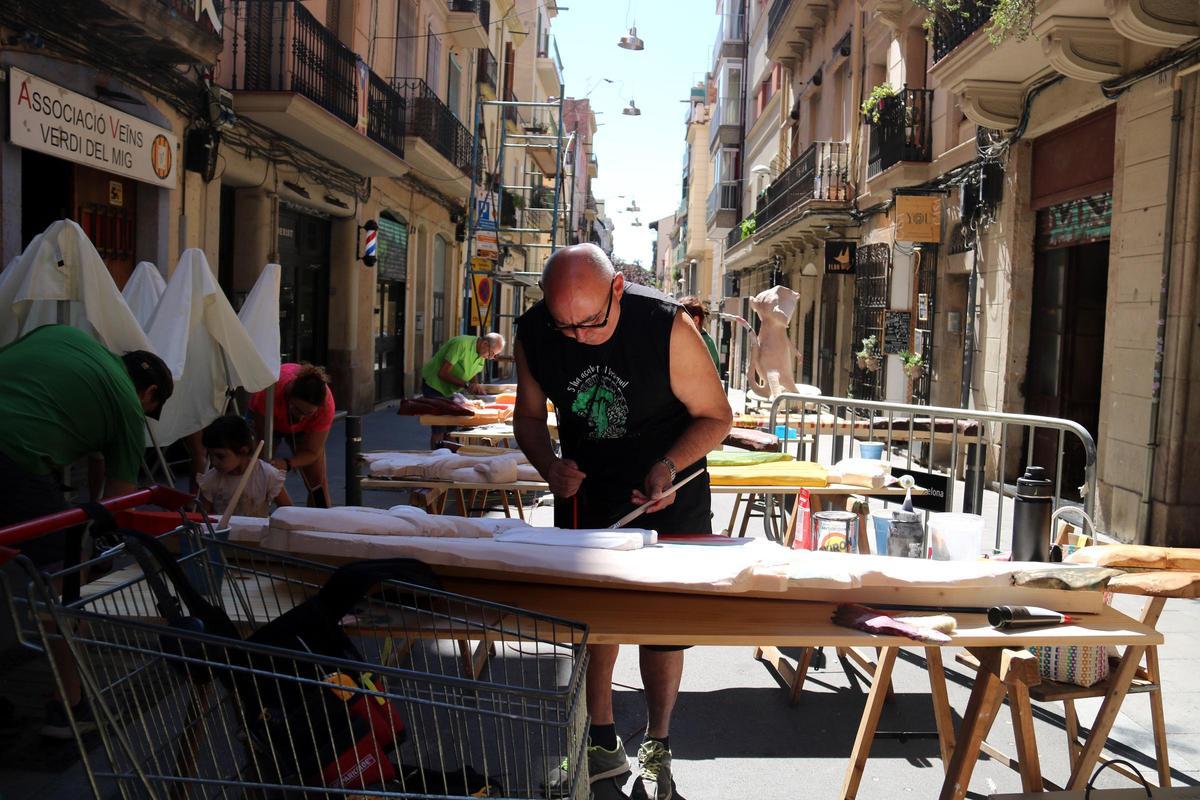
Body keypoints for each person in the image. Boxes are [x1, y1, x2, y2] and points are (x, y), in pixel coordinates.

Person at [513, 245, 732, 799]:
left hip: (668, 482)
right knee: (592, 619)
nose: (579, 337)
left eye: (591, 322)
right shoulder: (535, 333)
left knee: (663, 627)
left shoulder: (666, 326)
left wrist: (667, 466)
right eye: (566, 326)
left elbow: (717, 416)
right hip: (587, 486)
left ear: (618, 290)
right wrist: (549, 467)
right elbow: (529, 418)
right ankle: (602, 741)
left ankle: (658, 746)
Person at [0, 324, 173, 737]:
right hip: (9, 455)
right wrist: (96, 557)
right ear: (148, 394)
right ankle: (70, 706)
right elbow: (119, 503)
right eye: (151, 409)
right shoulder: (129, 408)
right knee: (64, 582)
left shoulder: (66, 336)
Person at [248, 363, 335, 508]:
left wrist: (289, 463)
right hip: (269, 418)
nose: (301, 417)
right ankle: (284, 517)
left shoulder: (326, 406)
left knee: (318, 484)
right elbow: (262, 444)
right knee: (261, 473)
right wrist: (273, 468)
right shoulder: (269, 393)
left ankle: (322, 523)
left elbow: (313, 452)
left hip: (305, 429)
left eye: (308, 414)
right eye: (298, 410)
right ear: (289, 397)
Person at [419, 333, 506, 449]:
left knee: (452, 429)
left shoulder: (482, 353)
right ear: (485, 344)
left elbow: (473, 372)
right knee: (439, 428)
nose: (491, 358)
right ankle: (436, 461)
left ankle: (453, 460)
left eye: (494, 355)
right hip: (434, 386)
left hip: (450, 390)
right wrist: (466, 385)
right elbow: (442, 373)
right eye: (492, 354)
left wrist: (475, 383)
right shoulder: (461, 345)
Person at [197, 415, 291, 518]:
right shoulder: (212, 479)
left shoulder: (267, 474)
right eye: (210, 456)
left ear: (243, 450)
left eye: (220, 456)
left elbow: (289, 511)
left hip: (259, 532)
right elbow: (201, 517)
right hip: (225, 533)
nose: (214, 462)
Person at [679, 296, 721, 371]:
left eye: (681, 320)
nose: (677, 325)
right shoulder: (696, 340)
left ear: (695, 320)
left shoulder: (703, 344)